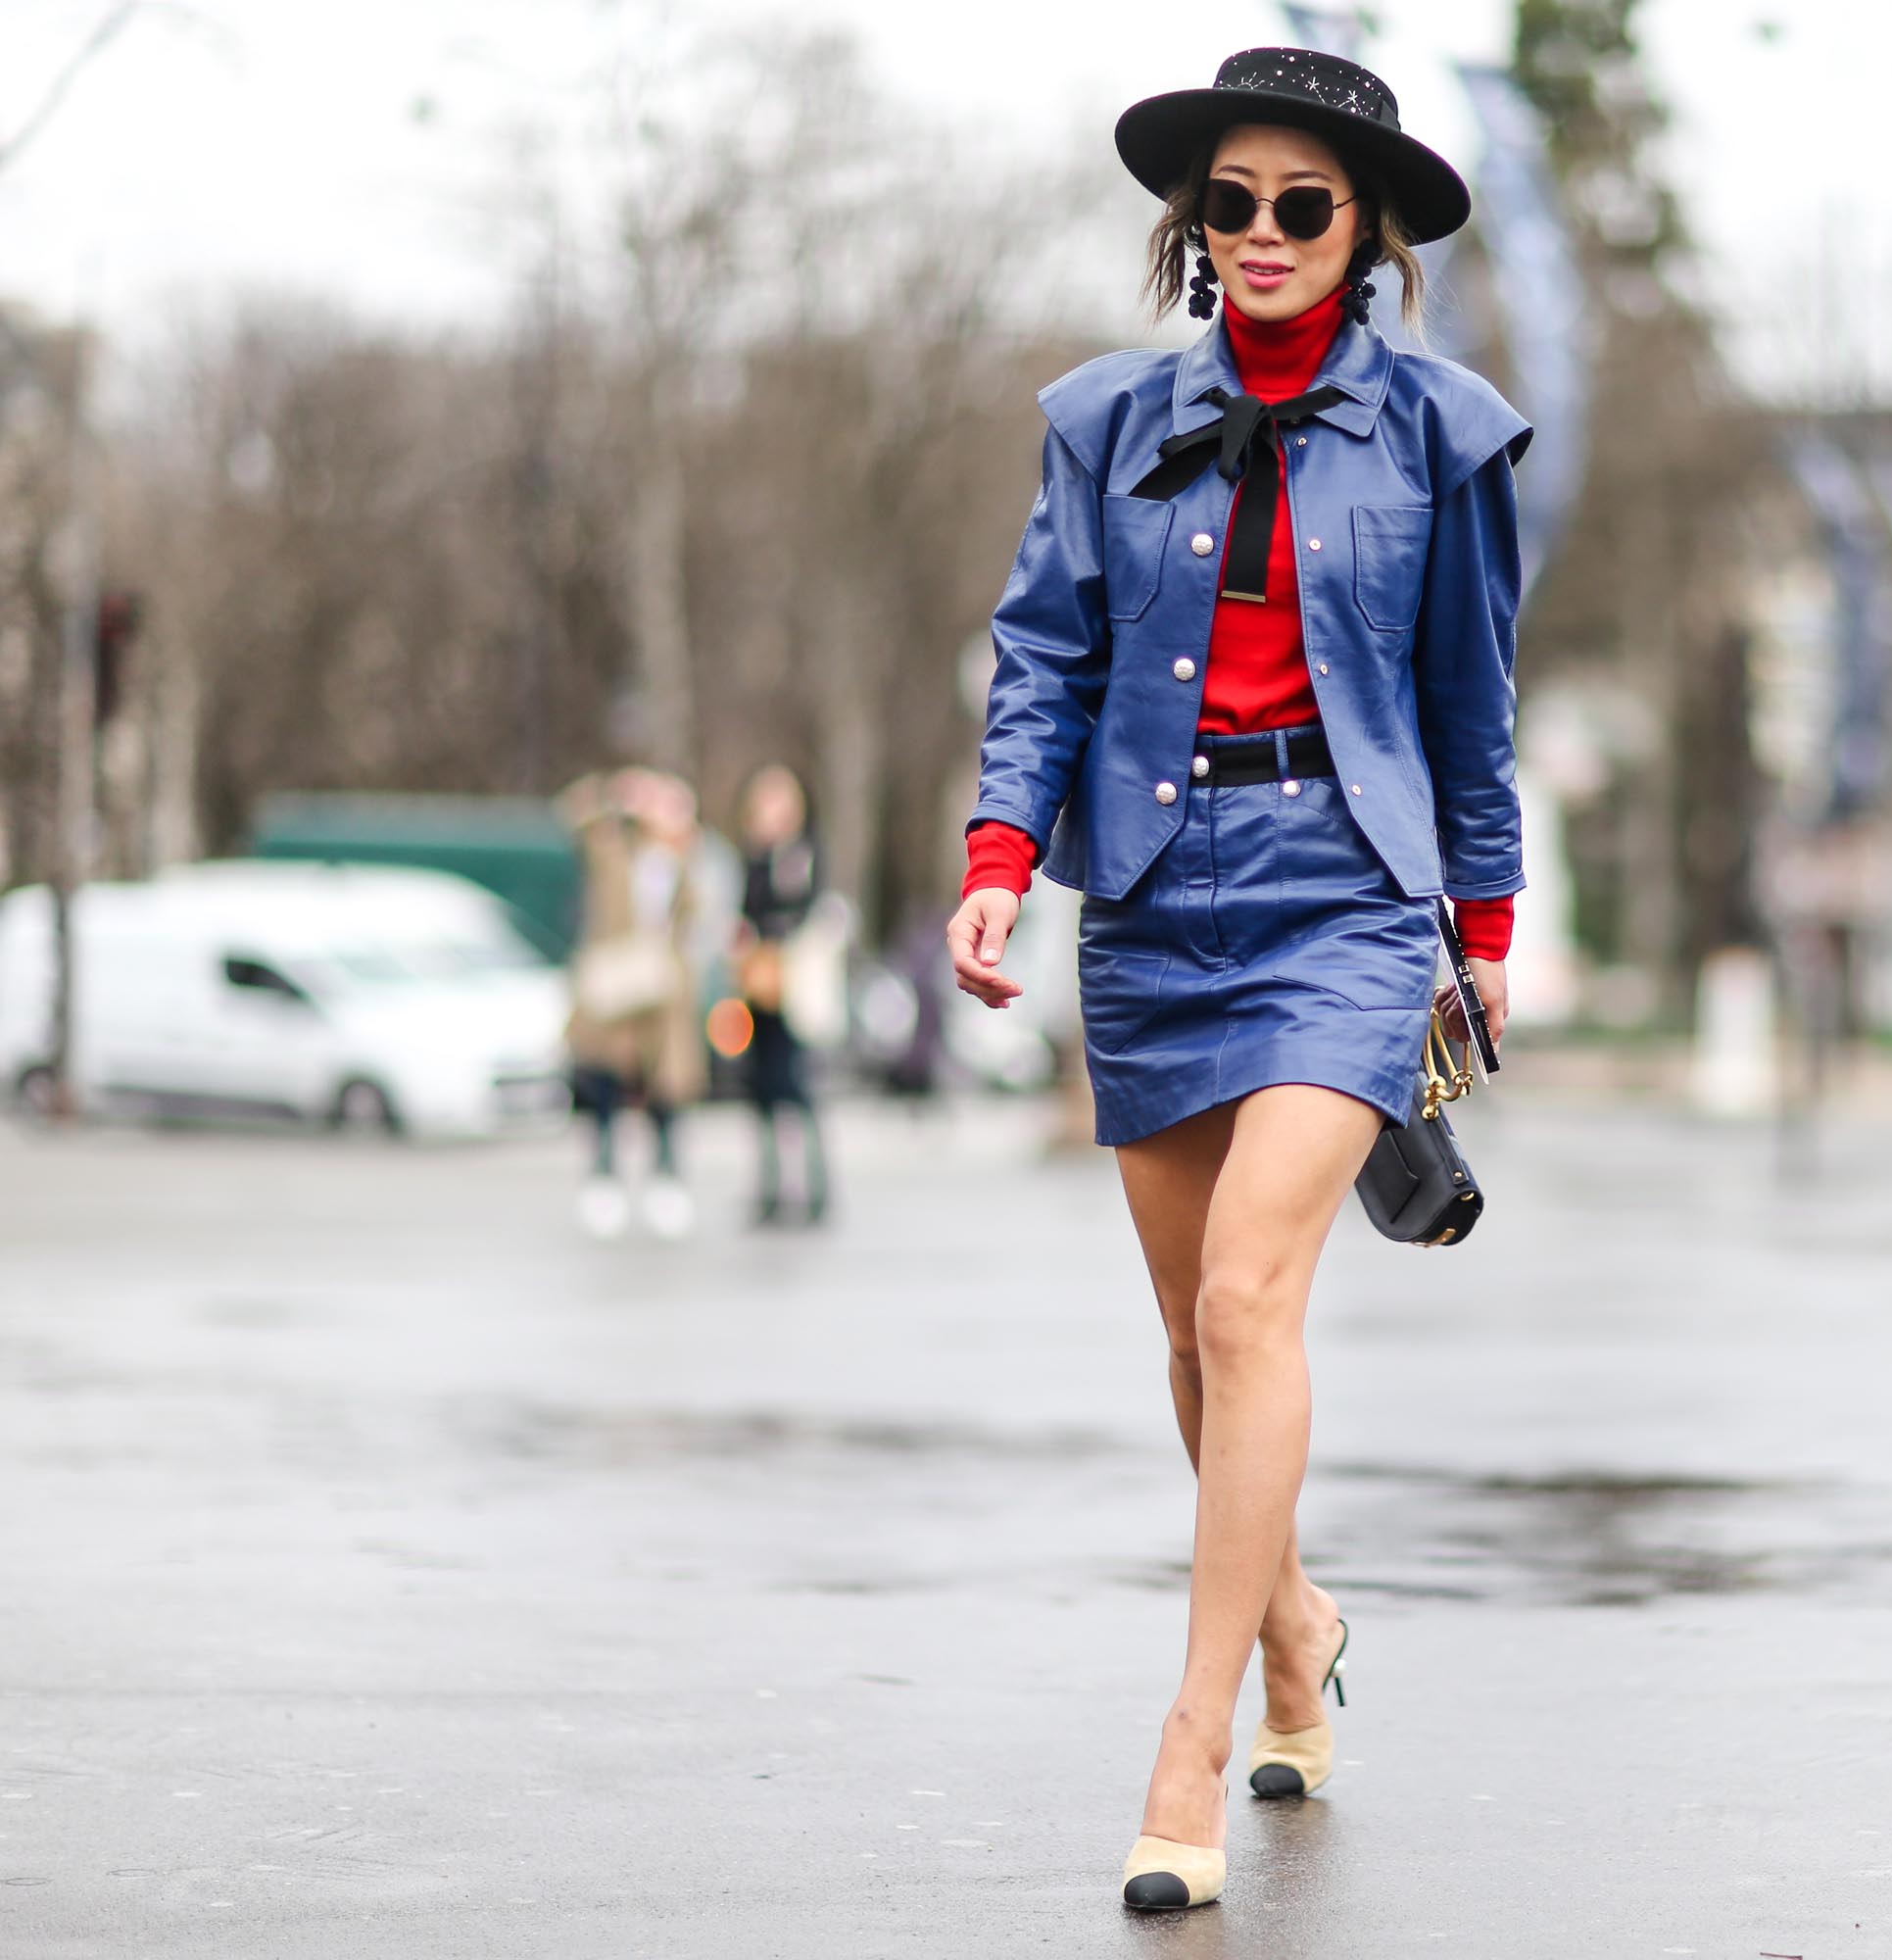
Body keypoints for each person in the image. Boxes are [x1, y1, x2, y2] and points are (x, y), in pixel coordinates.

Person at [947, 47, 1527, 1914]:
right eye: (1233, 203)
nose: (1263, 233)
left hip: (1347, 895)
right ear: (1191, 226)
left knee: (1256, 1290)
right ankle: (1298, 1629)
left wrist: (1488, 925)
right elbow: (1040, 654)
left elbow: (1469, 701)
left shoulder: (1445, 435)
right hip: (1153, 900)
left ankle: (1188, 1749)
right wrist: (996, 862)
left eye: (1302, 205)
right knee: (1197, 1332)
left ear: (1362, 237)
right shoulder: (1104, 422)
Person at [558, 767, 706, 1240]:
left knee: (665, 1085)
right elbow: (572, 813)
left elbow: (695, 914)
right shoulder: (609, 849)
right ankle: (604, 1175)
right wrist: (618, 795)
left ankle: (667, 1177)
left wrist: (678, 828)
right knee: (604, 1078)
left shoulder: (676, 860)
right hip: (614, 987)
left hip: (662, 992)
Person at [734, 765, 830, 1226]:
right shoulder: (753, 859)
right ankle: (770, 1187)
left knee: (800, 1087)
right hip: (759, 991)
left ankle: (816, 1187)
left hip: (794, 988)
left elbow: (808, 912)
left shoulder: (802, 856)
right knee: (762, 1088)